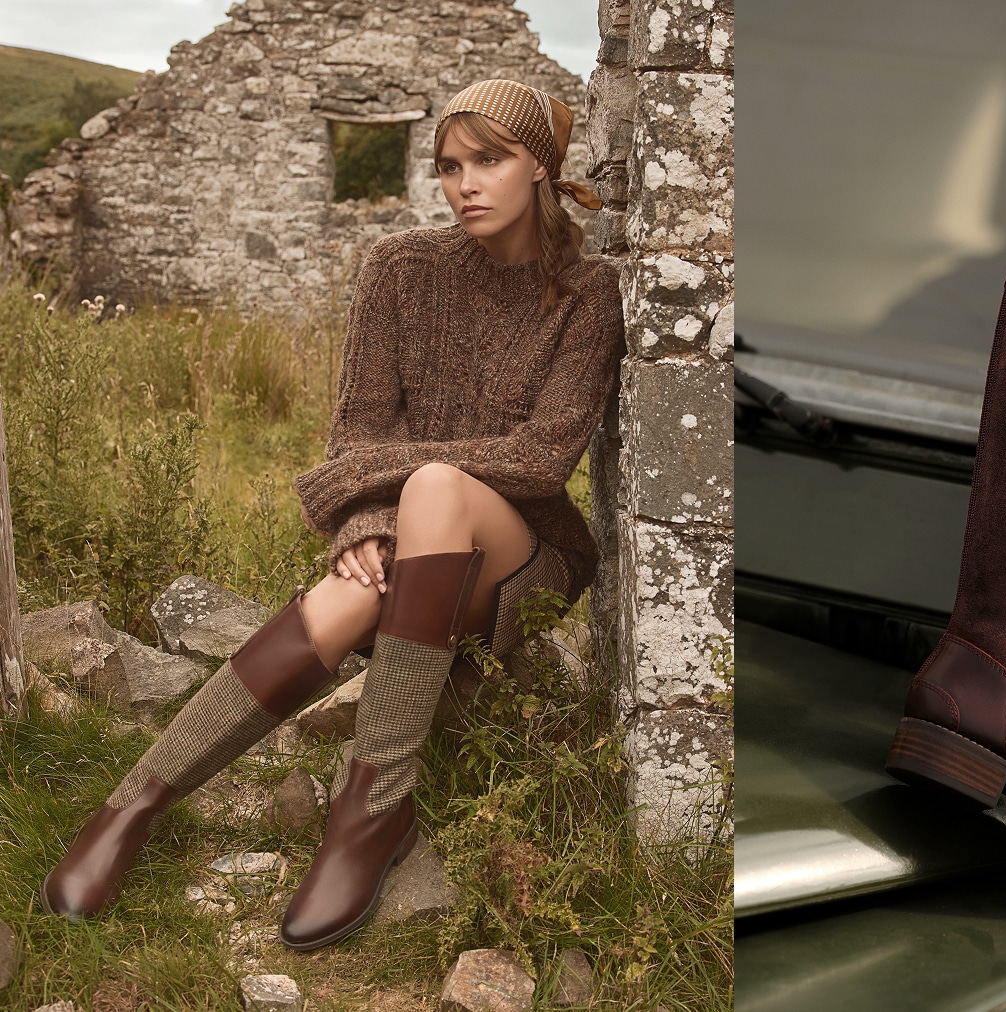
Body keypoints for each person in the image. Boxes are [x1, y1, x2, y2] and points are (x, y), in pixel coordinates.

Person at [39, 79, 623, 951]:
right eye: (449, 165)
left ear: (540, 165)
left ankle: (366, 808)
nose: (465, 184)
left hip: (525, 554)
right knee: (351, 595)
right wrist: (362, 527)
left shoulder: (589, 291)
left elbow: (542, 461)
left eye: (490, 160)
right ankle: (134, 808)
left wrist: (389, 482)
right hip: (418, 543)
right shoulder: (399, 268)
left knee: (431, 485)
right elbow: (354, 429)